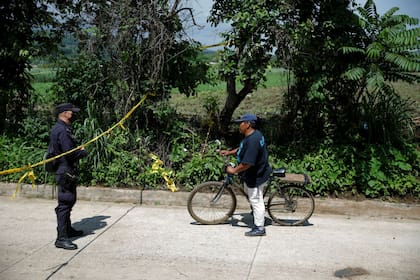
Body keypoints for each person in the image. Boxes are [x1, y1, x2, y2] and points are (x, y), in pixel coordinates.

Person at [219, 113, 272, 237]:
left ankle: (259, 228)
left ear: (248, 124)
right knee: (252, 196)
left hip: (257, 175)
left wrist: (234, 170)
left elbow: (247, 163)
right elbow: (242, 148)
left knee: (256, 200)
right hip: (258, 172)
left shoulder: (253, 140)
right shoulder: (253, 135)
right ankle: (257, 212)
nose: (239, 125)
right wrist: (229, 152)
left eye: (241, 123)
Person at [49, 103, 87, 250]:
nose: (74, 114)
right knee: (65, 203)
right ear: (65, 113)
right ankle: (61, 238)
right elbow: (69, 153)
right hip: (64, 170)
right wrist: (82, 152)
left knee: (69, 201)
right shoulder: (62, 131)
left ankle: (68, 230)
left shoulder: (60, 128)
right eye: (72, 112)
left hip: (65, 169)